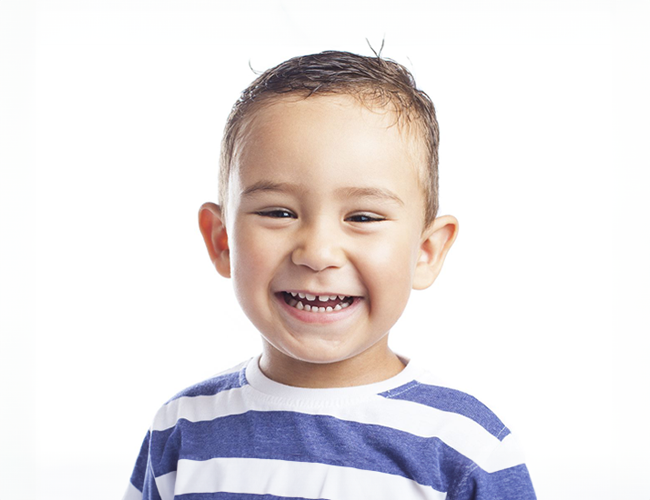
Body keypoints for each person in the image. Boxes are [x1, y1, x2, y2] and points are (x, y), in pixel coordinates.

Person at [122, 50, 536, 500]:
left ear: (425, 251)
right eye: (278, 212)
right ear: (222, 240)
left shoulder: (466, 446)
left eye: (362, 217)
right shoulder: (182, 430)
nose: (317, 253)